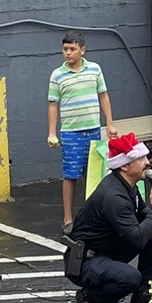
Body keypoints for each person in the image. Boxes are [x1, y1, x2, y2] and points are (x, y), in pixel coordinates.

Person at [69, 132, 152, 303]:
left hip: (108, 249)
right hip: (86, 261)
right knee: (129, 277)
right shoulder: (114, 196)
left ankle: (142, 296)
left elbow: (141, 211)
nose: (147, 162)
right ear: (124, 165)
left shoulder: (127, 185)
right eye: (141, 158)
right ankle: (89, 297)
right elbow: (137, 239)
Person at [47, 32, 113, 231]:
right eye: (65, 49)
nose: (68, 53)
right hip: (71, 133)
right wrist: (52, 132)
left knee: (95, 175)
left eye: (72, 49)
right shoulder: (57, 75)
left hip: (93, 130)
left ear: (82, 50)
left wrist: (109, 123)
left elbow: (103, 96)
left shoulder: (94, 69)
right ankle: (68, 218)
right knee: (71, 175)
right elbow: (53, 105)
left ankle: (95, 216)